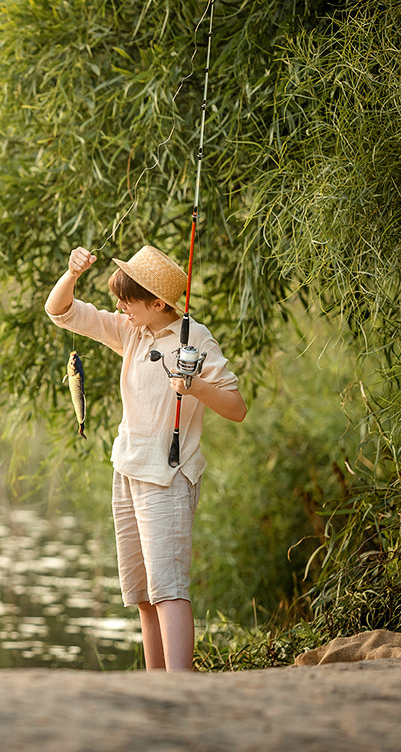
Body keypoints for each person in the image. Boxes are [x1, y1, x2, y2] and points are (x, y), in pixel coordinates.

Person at [44, 244, 246, 671]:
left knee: (169, 588)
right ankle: (156, 684)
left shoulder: (196, 338)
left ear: (157, 303)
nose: (119, 307)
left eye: (127, 300)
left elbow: (236, 407)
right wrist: (72, 274)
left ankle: (180, 683)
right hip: (128, 469)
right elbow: (59, 310)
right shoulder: (131, 330)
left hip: (169, 476)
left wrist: (195, 389)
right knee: (142, 592)